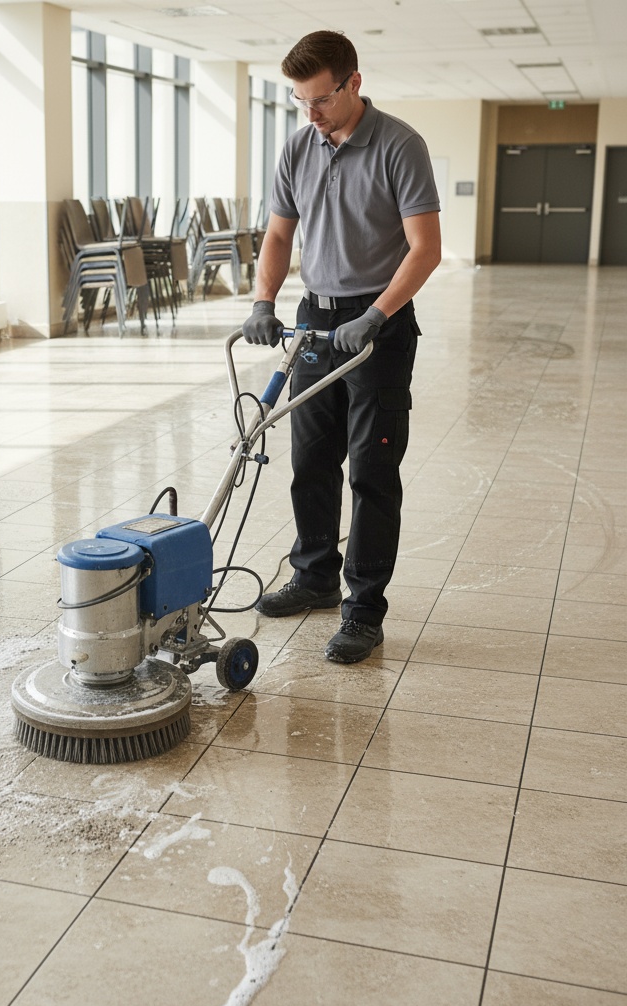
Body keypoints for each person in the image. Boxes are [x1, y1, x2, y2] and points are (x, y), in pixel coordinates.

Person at [243, 30, 441, 663]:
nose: (311, 113)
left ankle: (363, 610)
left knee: (372, 471)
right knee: (311, 457)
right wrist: (263, 301)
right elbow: (278, 237)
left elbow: (425, 248)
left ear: (353, 83)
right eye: (300, 101)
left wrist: (380, 312)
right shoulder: (298, 148)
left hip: (376, 328)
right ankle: (314, 577)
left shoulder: (400, 146)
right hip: (313, 322)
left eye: (321, 99)